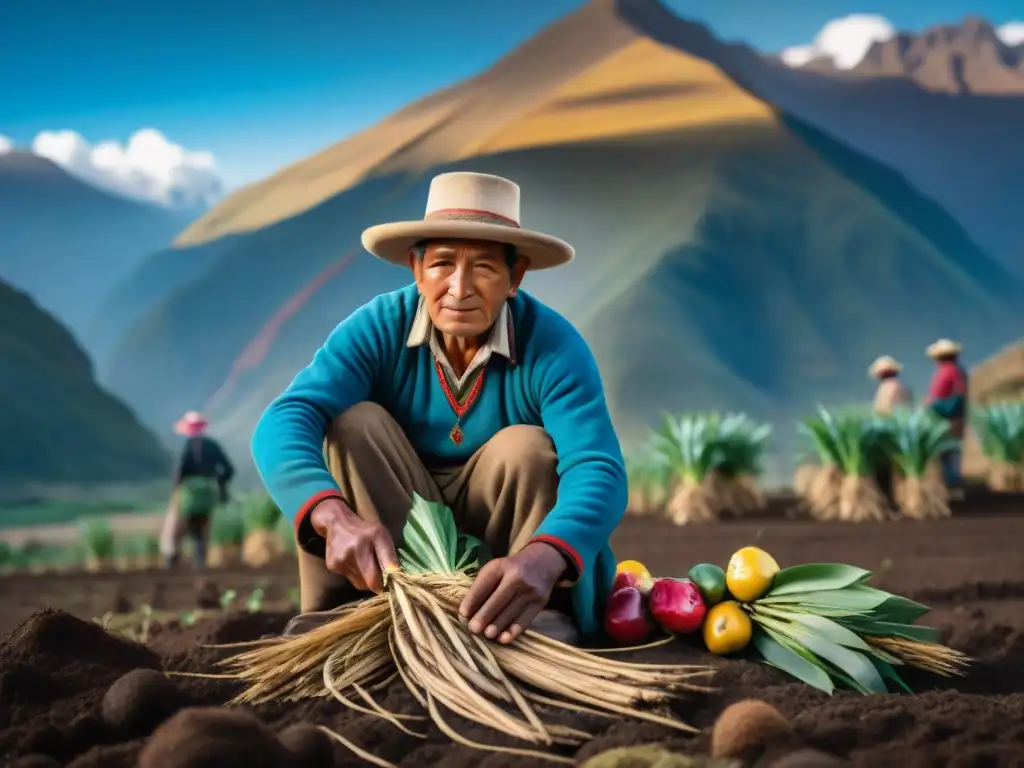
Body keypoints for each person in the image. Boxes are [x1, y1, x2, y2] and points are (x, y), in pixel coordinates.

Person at [251, 171, 628, 647]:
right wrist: (332, 517)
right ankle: (358, 612)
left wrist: (544, 556)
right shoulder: (377, 328)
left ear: (515, 277)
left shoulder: (554, 347)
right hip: (394, 543)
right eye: (443, 264)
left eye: (485, 268)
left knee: (527, 448)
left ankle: (537, 613)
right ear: (416, 269)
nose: (459, 287)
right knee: (353, 424)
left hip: (508, 556)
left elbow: (598, 467)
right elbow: (285, 418)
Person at [160, 411, 236, 570]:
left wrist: (176, 491)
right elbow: (228, 469)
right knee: (202, 530)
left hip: (189, 493)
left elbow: (180, 471)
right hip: (207, 493)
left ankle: (171, 560)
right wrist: (221, 487)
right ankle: (200, 563)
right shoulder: (212, 446)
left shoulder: (187, 446)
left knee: (174, 526)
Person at [923, 339, 969, 494]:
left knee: (946, 453)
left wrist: (932, 405)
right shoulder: (958, 371)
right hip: (955, 418)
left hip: (946, 419)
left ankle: (951, 487)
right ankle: (953, 486)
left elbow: (940, 396)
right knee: (952, 453)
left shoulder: (947, 372)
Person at [867, 355, 914, 501]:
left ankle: (888, 497)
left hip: (889, 432)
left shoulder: (887, 389)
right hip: (904, 430)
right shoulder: (904, 388)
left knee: (885, 465)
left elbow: (883, 412)